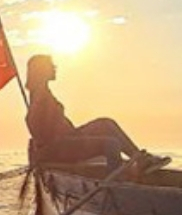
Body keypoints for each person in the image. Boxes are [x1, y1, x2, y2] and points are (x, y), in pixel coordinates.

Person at [25, 54, 170, 170]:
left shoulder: (43, 92)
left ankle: (139, 159)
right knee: (111, 143)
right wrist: (43, 145)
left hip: (67, 139)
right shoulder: (39, 96)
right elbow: (32, 121)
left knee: (105, 123)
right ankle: (116, 184)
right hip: (59, 149)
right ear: (42, 70)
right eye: (51, 66)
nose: (55, 68)